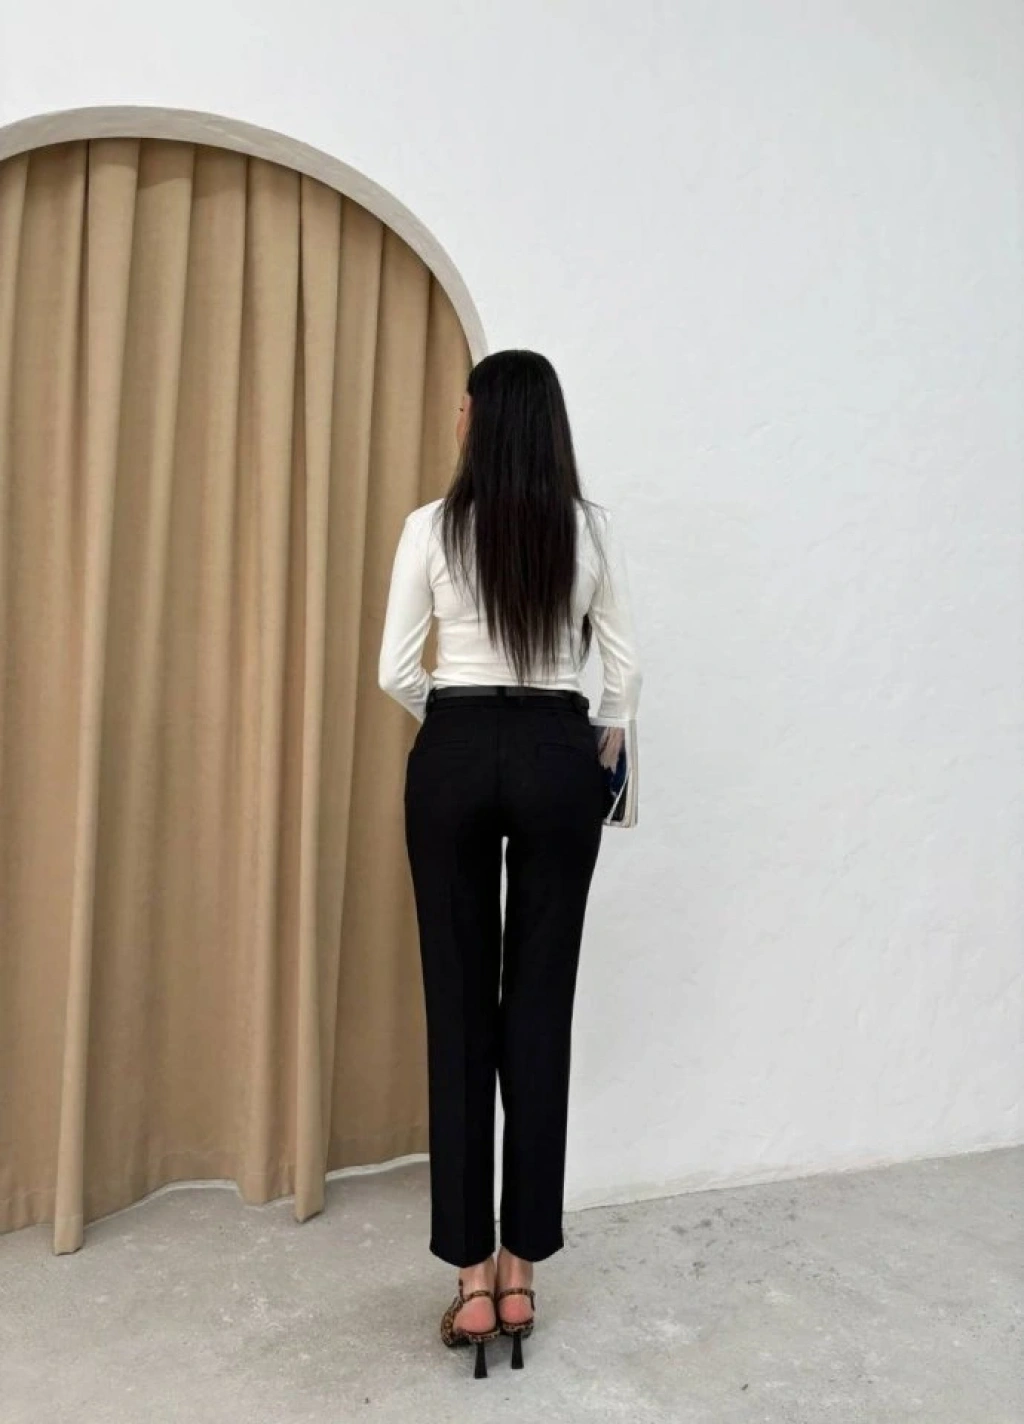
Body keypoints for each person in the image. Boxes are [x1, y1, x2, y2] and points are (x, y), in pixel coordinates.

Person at [378, 348, 642, 1375]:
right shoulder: (587, 528)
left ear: (482, 421)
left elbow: (395, 669)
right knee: (538, 1005)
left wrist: (454, 724)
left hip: (453, 745)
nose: (457, 416)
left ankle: (470, 1280)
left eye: (465, 405)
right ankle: (522, 1265)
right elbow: (623, 666)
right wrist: (595, 739)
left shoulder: (431, 526)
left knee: (458, 1009)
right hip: (554, 747)